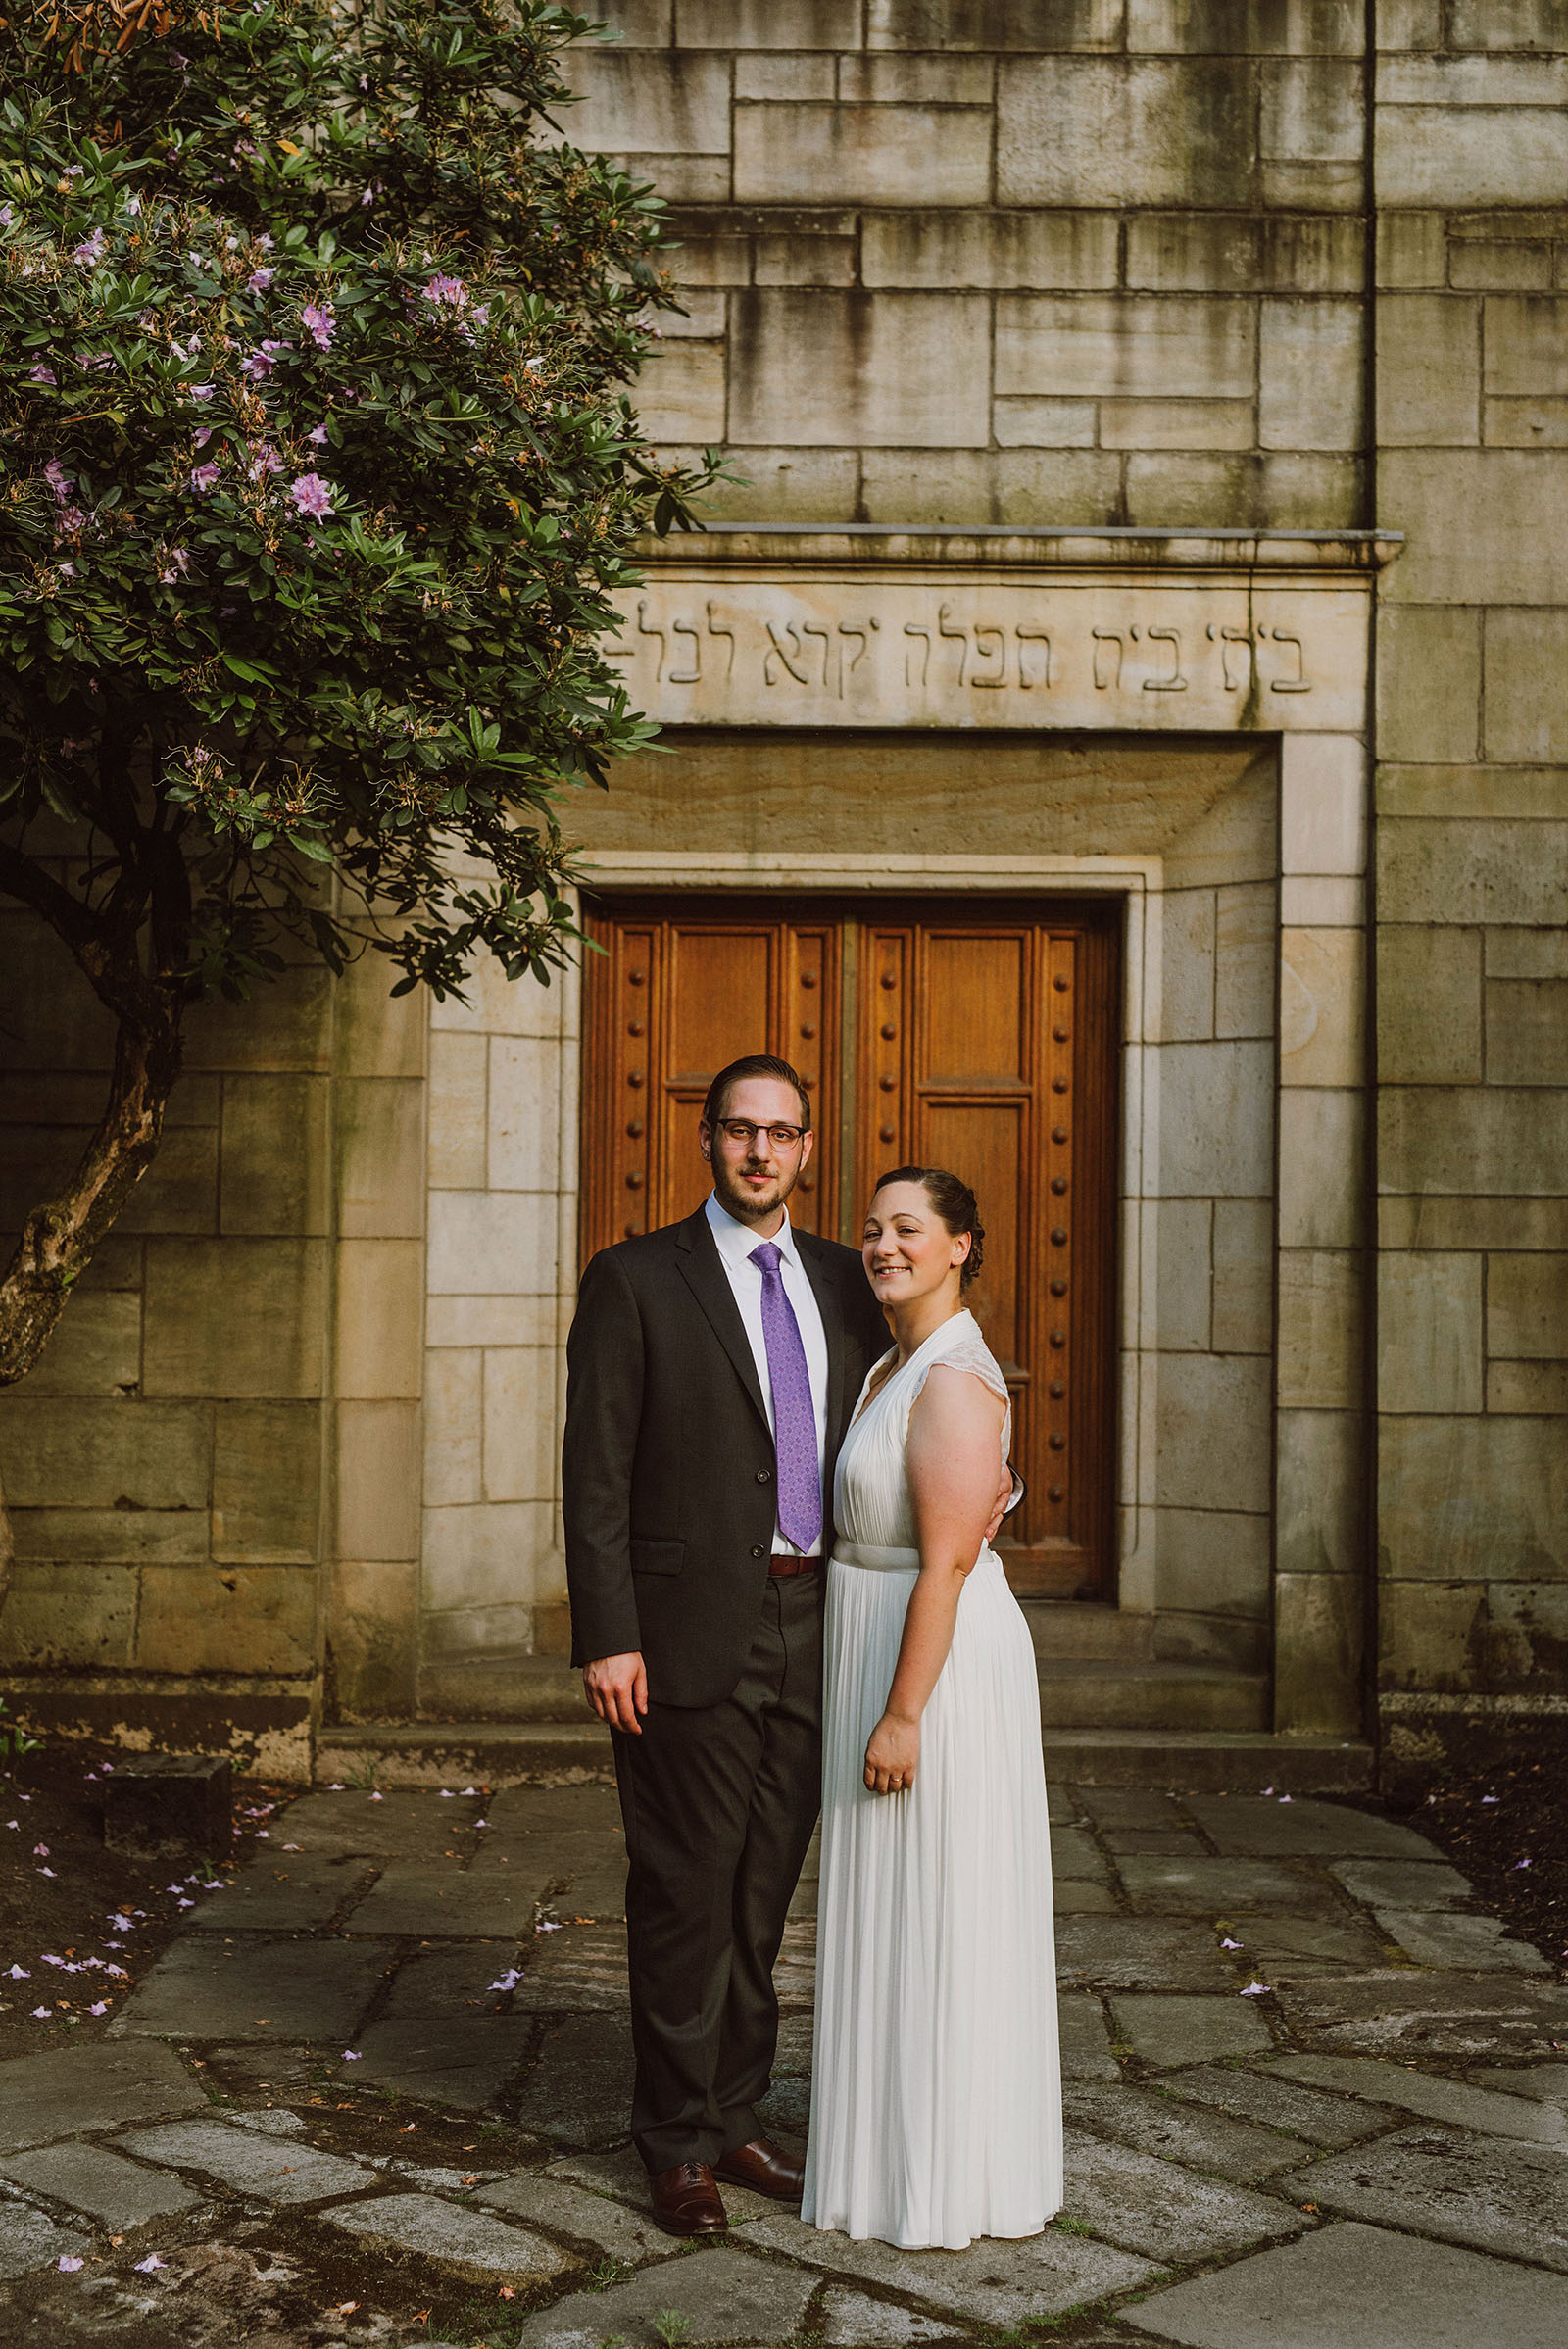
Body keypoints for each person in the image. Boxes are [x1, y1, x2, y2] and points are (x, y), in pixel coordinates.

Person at [563, 1056, 899, 2237]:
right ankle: (672, 2147)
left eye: (784, 1133)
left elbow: (912, 1413)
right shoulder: (634, 1278)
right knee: (681, 1890)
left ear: (808, 1149)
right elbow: (594, 1472)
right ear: (707, 1141)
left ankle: (735, 2116)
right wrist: (607, 1635)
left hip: (820, 1623)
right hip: (684, 1630)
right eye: (741, 1131)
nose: (762, 1152)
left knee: (762, 1894)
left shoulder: (848, 1283)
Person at [802, 1166, 1062, 2251]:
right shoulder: (887, 1364)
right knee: (892, 1904)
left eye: (909, 1229)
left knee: (937, 1904)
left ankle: (950, 2173)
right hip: (871, 1633)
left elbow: (947, 1566)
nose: (882, 1245)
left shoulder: (953, 1377)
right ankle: (883, 2153)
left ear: (961, 1245)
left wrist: (904, 1714)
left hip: (930, 1662)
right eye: (872, 1229)